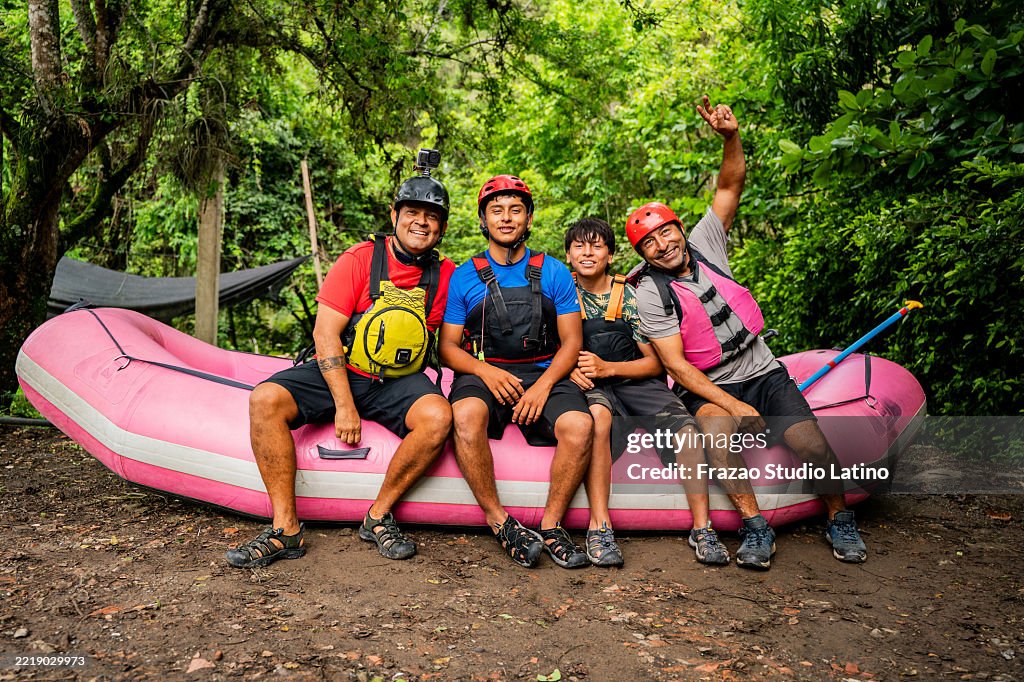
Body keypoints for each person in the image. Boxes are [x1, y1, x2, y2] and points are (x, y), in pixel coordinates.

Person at [628, 96, 868, 568]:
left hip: (761, 367)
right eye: (649, 243)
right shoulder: (649, 291)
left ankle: (839, 518)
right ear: (643, 254)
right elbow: (675, 365)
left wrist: (730, 137)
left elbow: (730, 183)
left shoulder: (706, 242)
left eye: (666, 232)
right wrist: (734, 406)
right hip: (711, 384)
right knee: (717, 432)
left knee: (810, 443)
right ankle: (755, 526)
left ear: (680, 227)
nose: (662, 245)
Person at [227, 159, 456, 568]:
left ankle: (378, 515)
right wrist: (345, 405)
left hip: (399, 380)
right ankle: (286, 530)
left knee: (438, 416)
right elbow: (325, 334)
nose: (422, 223)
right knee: (265, 400)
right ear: (394, 215)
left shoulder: (447, 276)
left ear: (442, 227)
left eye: (432, 217)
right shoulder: (359, 258)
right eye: (413, 213)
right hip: (343, 368)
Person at [438, 175, 593, 569]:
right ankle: (500, 521)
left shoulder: (555, 271)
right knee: (467, 415)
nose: (506, 218)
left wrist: (542, 387)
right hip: (485, 372)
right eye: (497, 211)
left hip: (543, 372)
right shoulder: (465, 275)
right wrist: (486, 374)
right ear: (483, 220)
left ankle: (552, 524)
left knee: (579, 427)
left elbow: (572, 342)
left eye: (515, 210)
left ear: (528, 219)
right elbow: (448, 348)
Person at [564, 217, 729, 567]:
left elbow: (655, 364)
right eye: (580, 246)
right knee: (598, 419)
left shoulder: (631, 294)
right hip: (591, 386)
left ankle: (703, 527)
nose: (588, 252)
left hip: (634, 378)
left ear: (610, 254)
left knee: (685, 428)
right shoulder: (560, 293)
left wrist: (609, 368)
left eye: (597, 245)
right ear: (568, 255)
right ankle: (599, 527)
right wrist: (571, 370)